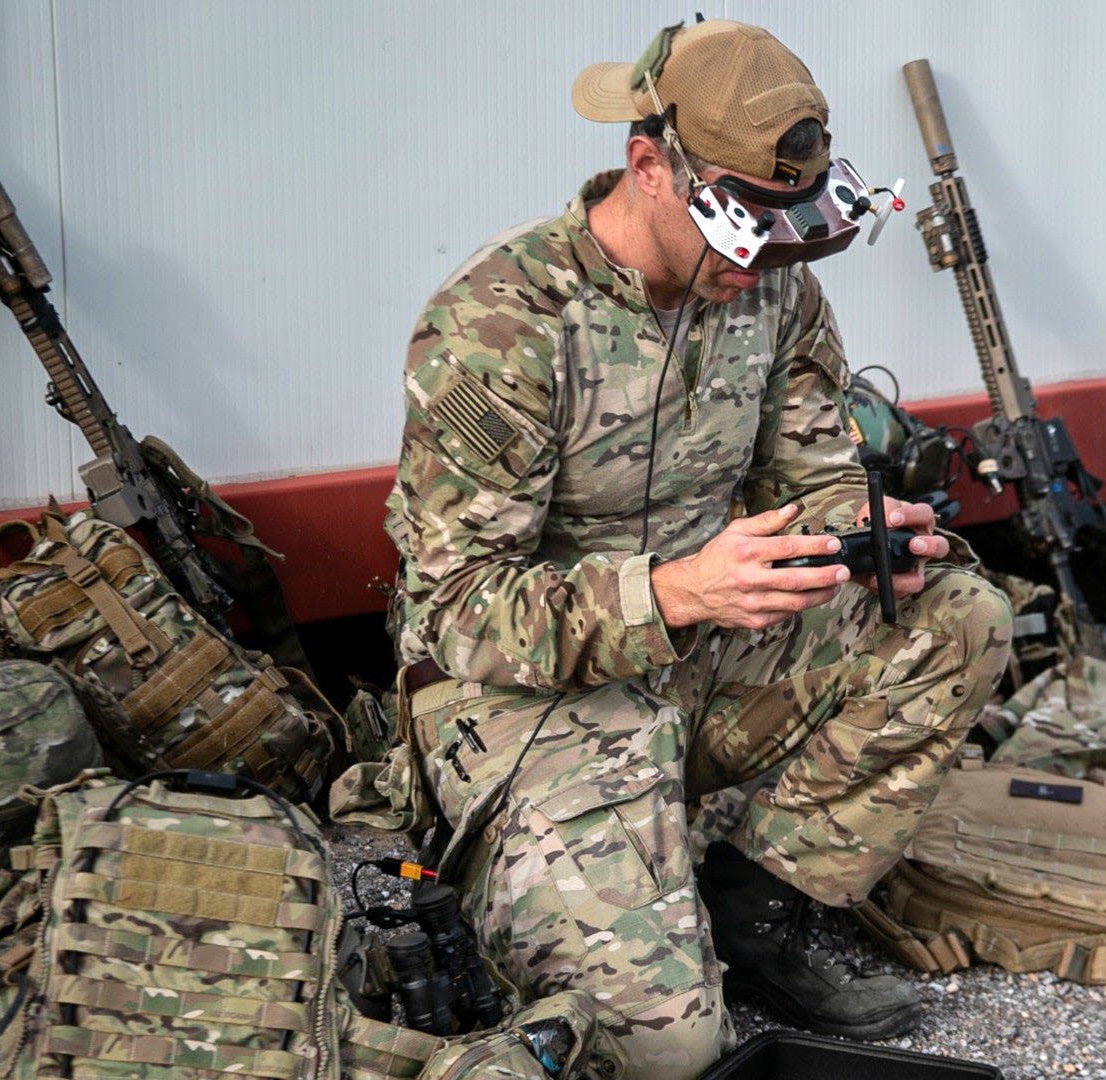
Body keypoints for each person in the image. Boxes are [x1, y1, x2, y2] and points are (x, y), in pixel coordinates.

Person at [381, 18, 1014, 1079]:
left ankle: (752, 908)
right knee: (672, 1056)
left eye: (785, 231)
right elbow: (453, 613)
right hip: (535, 697)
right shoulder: (503, 322)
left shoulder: (771, 287)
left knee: (962, 615)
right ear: (649, 168)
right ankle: (603, 892)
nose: (763, 259)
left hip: (714, 632)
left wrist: (861, 539)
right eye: (742, 229)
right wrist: (670, 594)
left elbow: (811, 474)